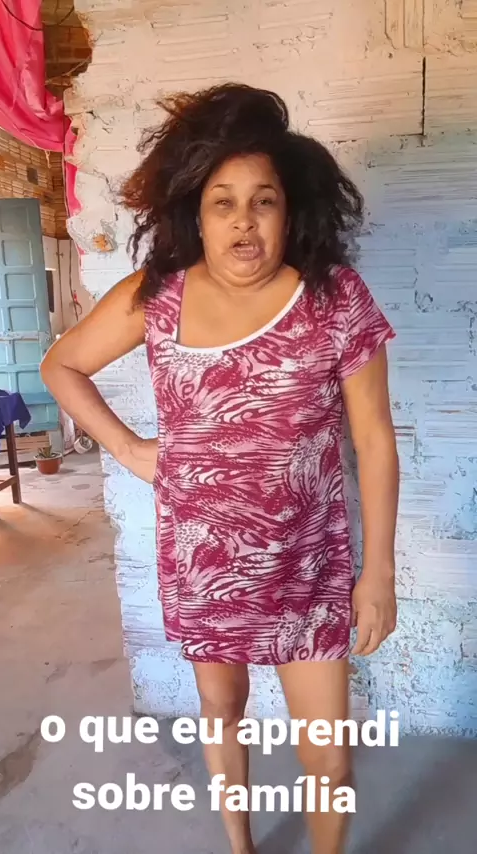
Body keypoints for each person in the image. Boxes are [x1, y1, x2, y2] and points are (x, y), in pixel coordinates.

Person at [41, 83, 399, 854]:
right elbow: (62, 365)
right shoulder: (158, 299)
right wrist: (130, 449)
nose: (244, 220)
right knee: (222, 709)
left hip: (309, 569)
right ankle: (240, 844)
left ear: (290, 211)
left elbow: (374, 440)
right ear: (194, 216)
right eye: (223, 203)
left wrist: (379, 575)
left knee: (329, 756)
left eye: (263, 201)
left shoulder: (334, 299)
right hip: (206, 565)